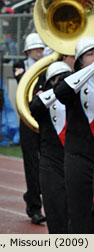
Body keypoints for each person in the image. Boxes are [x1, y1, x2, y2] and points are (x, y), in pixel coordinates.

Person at [54, 36, 94, 233]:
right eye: (90, 54)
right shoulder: (71, 81)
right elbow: (61, 93)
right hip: (79, 156)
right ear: (79, 61)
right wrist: (90, 69)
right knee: (79, 213)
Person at [29, 61, 73, 233]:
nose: (60, 81)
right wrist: (57, 90)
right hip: (51, 166)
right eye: (55, 79)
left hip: (75, 164)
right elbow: (34, 107)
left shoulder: (78, 101)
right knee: (56, 217)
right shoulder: (43, 102)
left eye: (63, 78)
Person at [12, 32, 46, 224]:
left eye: (41, 49)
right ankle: (34, 206)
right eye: (36, 49)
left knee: (49, 163)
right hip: (27, 120)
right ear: (28, 50)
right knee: (31, 164)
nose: (39, 52)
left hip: (45, 120)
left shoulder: (48, 66)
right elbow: (22, 83)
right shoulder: (20, 66)